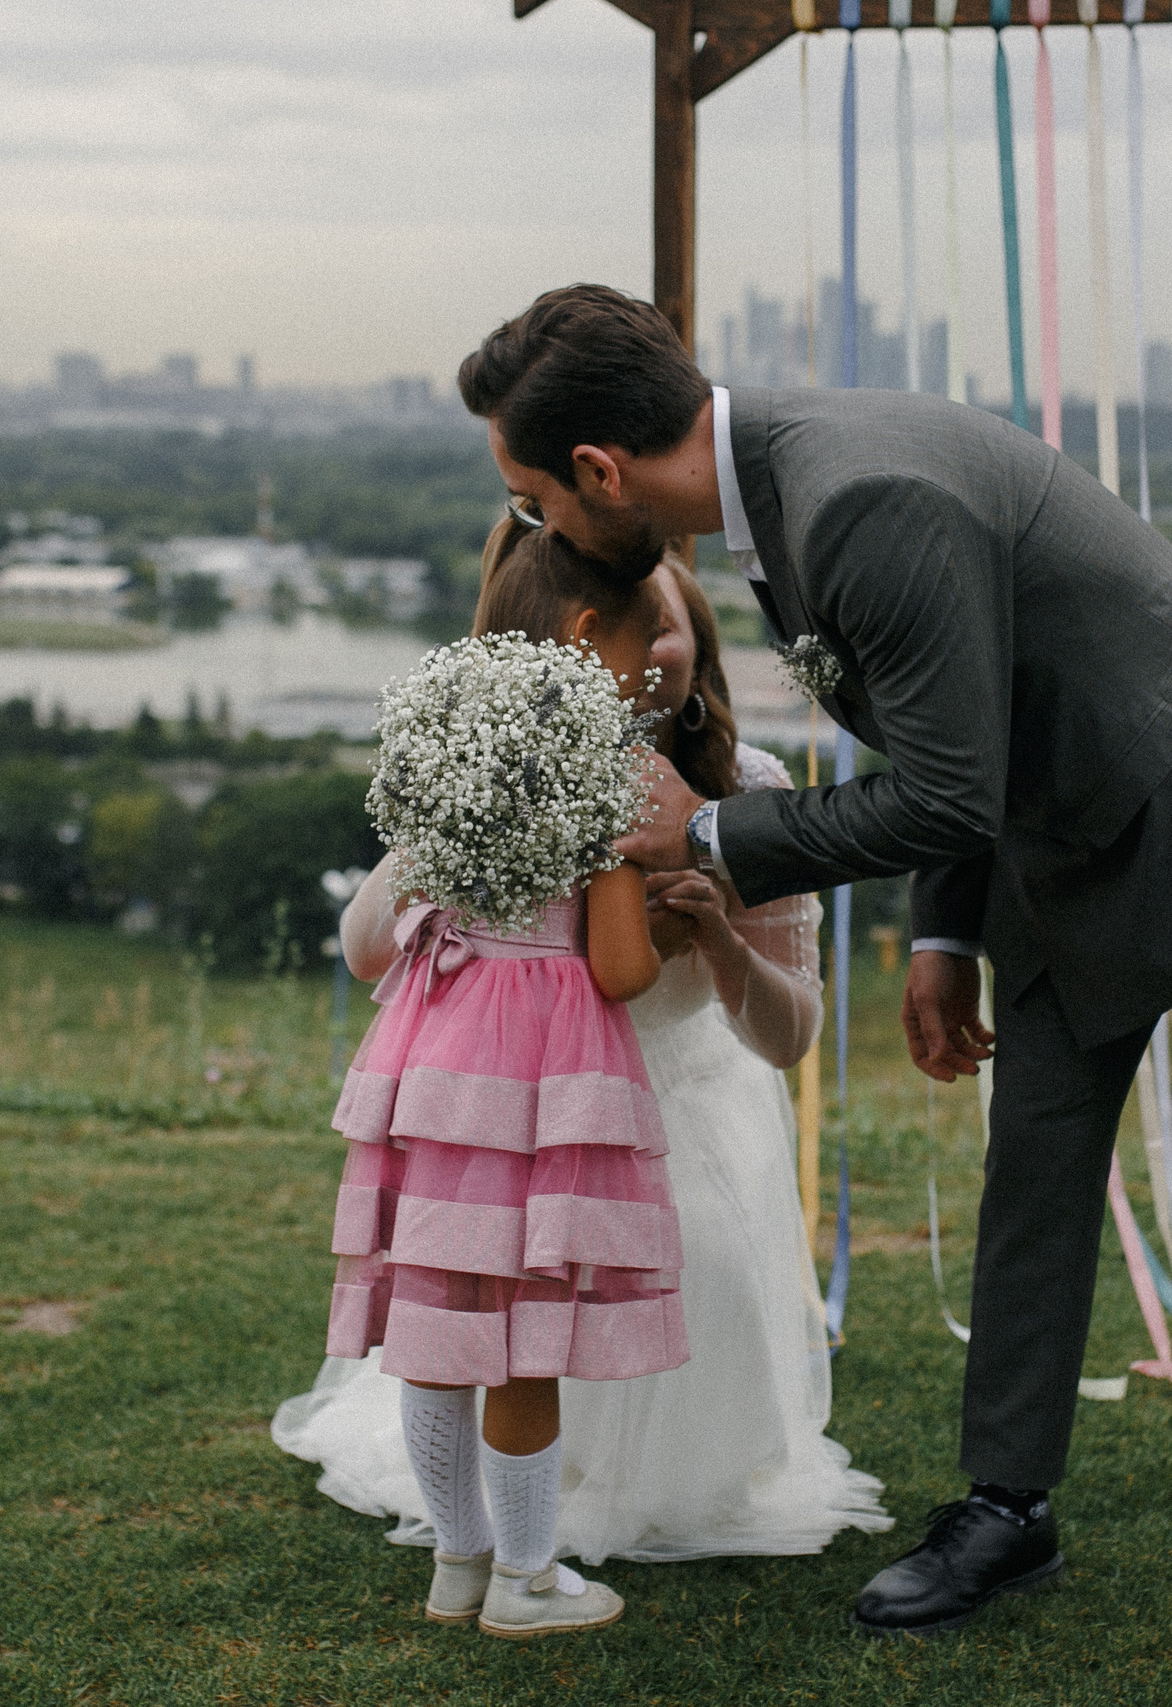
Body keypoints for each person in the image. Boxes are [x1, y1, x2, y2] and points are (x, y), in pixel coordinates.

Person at [454, 284, 1172, 1634]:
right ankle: (1005, 1509)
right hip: (1064, 839)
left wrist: (713, 828)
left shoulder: (853, 496)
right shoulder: (773, 491)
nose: (540, 532)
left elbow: (948, 789)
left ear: (600, 469)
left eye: (535, 502)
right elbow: (962, 724)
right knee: (1033, 1172)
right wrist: (944, 933)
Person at [275, 551, 891, 1565]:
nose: (639, 652)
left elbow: (789, 1038)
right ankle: (507, 1545)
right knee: (492, 1311)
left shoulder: (752, 793)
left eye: (663, 629)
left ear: (699, 652)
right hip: (511, 1108)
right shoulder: (498, 776)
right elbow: (367, 947)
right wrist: (446, 830)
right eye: (622, 629)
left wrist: (721, 938)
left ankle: (499, 1547)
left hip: (674, 1115)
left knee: (698, 1270)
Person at [315, 521, 678, 1640]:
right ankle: (528, 1576)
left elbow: (373, 940)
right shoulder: (599, 780)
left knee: (440, 1323)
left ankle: (458, 1565)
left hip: (433, 1054)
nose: (651, 665)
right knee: (525, 1331)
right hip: (538, 1070)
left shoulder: (442, 758)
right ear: (580, 636)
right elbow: (618, 968)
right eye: (641, 644)